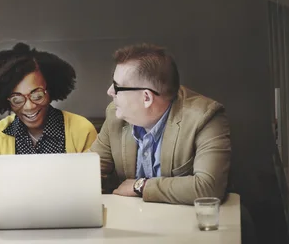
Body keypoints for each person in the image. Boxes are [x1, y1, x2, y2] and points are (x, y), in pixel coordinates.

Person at [90, 43, 231, 204]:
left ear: (146, 98)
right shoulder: (115, 115)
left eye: (117, 86)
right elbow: (88, 172)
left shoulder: (205, 117)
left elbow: (208, 187)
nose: (110, 91)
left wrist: (141, 186)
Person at [0, 43, 98, 195]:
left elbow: (94, 184)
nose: (29, 106)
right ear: (6, 100)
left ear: (50, 91)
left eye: (37, 95)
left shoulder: (81, 129)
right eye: (17, 99)